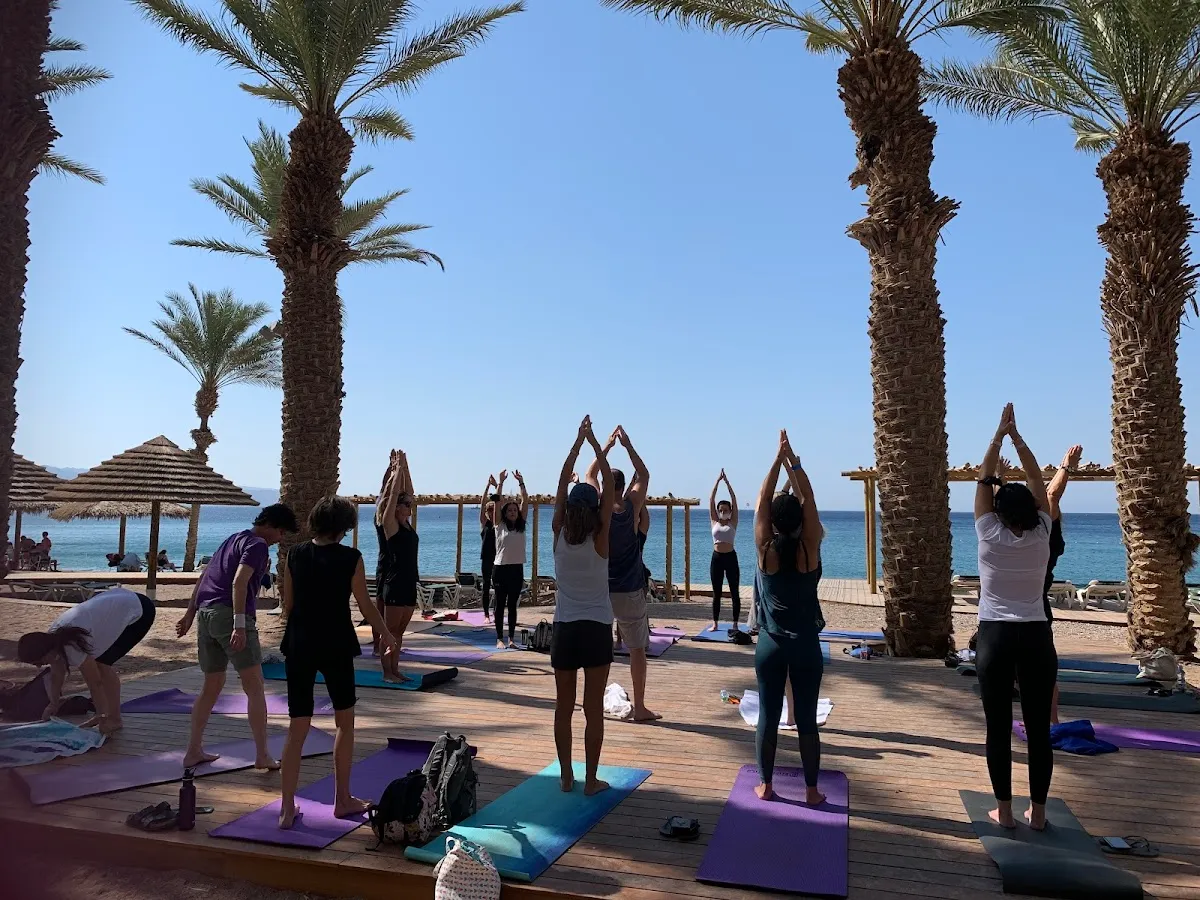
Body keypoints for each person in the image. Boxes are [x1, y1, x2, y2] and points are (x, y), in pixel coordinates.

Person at [278, 496, 398, 829]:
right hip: (336, 643)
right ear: (344, 527)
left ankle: (286, 809)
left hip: (300, 643)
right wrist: (387, 635)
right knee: (344, 722)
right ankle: (342, 799)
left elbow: (288, 604)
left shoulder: (295, 554)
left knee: (297, 727)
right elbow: (365, 605)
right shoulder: (351, 558)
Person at [974, 403, 1056, 832]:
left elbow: (983, 480)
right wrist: (1018, 439)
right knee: (1038, 729)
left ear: (999, 512)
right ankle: (1037, 814)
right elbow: (1039, 481)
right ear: (1033, 508)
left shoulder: (988, 532)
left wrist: (997, 437)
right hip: (1036, 637)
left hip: (995, 637)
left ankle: (1004, 812)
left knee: (998, 728)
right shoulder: (1043, 532)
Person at [177, 504, 299, 769]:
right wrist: (240, 625)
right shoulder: (257, 545)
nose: (280, 539)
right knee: (254, 686)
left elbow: (204, 577)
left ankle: (193, 750)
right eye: (281, 532)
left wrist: (189, 614)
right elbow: (239, 582)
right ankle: (262, 755)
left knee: (211, 685)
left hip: (206, 614)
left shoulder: (233, 539)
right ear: (271, 525)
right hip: (229, 616)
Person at [753, 430, 825, 804]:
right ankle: (811, 791)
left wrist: (776, 461)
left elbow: (762, 500)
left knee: (769, 715)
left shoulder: (765, 550)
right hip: (806, 646)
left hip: (770, 645)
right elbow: (808, 499)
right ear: (800, 521)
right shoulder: (809, 548)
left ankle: (766, 786)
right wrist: (794, 462)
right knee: (807, 719)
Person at [551, 416, 615, 795]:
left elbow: (562, 483)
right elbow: (609, 487)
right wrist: (596, 447)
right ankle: (591, 780)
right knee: (593, 710)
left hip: (565, 629)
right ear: (595, 509)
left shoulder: (559, 533)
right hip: (596, 628)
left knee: (564, 707)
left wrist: (578, 443)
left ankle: (565, 776)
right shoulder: (600, 537)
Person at [587, 426, 658, 722]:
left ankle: (594, 704)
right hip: (629, 589)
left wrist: (605, 446)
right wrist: (627, 445)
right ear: (624, 487)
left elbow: (590, 474)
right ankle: (639, 707)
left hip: (601, 590)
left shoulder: (598, 506)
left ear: (606, 484)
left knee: (601, 650)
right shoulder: (631, 508)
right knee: (637, 649)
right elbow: (645, 475)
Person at [17, 586, 156, 734]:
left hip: (140, 610)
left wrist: (101, 716)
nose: (39, 667)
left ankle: (115, 719)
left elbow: (95, 683)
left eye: (38, 662)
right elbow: (57, 674)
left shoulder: (71, 647)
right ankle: (106, 716)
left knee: (102, 665)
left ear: (46, 653)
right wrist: (53, 704)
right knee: (99, 661)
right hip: (121, 600)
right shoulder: (53, 641)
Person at [1043, 444, 1082, 726]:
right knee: (1041, 670)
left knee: (1039, 670)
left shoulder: (1023, 537)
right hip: (1033, 610)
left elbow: (1051, 495)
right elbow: (1050, 495)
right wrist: (1066, 466)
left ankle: (1051, 721)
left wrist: (1066, 468)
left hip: (1015, 612)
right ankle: (1050, 721)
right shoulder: (1044, 539)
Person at [375, 450, 419, 682]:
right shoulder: (389, 525)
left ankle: (395, 669)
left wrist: (405, 467)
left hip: (409, 583)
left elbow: (408, 492)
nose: (410, 506)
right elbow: (391, 495)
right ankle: (386, 672)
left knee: (399, 632)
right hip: (394, 583)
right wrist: (396, 472)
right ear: (396, 508)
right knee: (390, 631)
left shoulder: (408, 525)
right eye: (406, 504)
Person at [491, 469, 529, 649]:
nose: (513, 512)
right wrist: (500, 483)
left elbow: (526, 501)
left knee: (512, 605)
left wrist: (521, 482)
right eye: (510, 510)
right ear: (505, 513)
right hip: (500, 569)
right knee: (500, 604)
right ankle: (499, 638)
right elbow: (497, 502)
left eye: (515, 510)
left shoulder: (521, 526)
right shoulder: (499, 525)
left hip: (516, 569)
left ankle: (511, 638)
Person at [709, 469, 741, 632]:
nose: (723, 512)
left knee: (734, 591)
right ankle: (715, 623)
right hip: (717, 558)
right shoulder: (714, 521)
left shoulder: (732, 522)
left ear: (730, 511)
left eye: (726, 510)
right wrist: (717, 482)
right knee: (717, 592)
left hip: (730, 558)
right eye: (720, 510)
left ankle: (735, 624)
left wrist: (727, 483)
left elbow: (734, 499)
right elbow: (711, 499)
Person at [478, 475, 499, 622]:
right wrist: (487, 486)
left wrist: (498, 486)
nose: (491, 512)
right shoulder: (485, 523)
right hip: (486, 558)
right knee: (486, 586)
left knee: (498, 587)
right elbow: (482, 503)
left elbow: (500, 502)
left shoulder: (499, 524)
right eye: (489, 510)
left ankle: (496, 613)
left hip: (498, 558)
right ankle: (486, 615)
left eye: (493, 509)